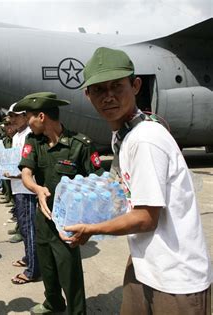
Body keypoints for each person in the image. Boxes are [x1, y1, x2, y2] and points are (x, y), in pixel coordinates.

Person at [63, 47, 212, 314]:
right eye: (98, 89)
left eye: (116, 86)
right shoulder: (124, 134)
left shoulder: (145, 138)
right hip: (146, 264)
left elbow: (146, 218)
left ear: (136, 85)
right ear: (88, 95)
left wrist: (93, 229)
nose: (108, 97)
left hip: (175, 277)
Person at [14, 92, 103, 315]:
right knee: (47, 267)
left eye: (29, 117)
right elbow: (26, 173)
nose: (27, 122)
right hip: (43, 218)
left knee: (69, 270)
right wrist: (37, 189)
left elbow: (100, 182)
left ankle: (76, 311)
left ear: (41, 116)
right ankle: (53, 303)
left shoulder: (80, 144)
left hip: (68, 221)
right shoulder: (33, 140)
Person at [6, 103, 39, 285]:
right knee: (24, 227)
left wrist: (18, 174)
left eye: (16, 116)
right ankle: (28, 257)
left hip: (27, 188)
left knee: (29, 228)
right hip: (17, 186)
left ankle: (33, 270)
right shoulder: (17, 135)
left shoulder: (30, 135)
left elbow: (32, 164)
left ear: (26, 116)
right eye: (11, 116)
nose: (12, 119)